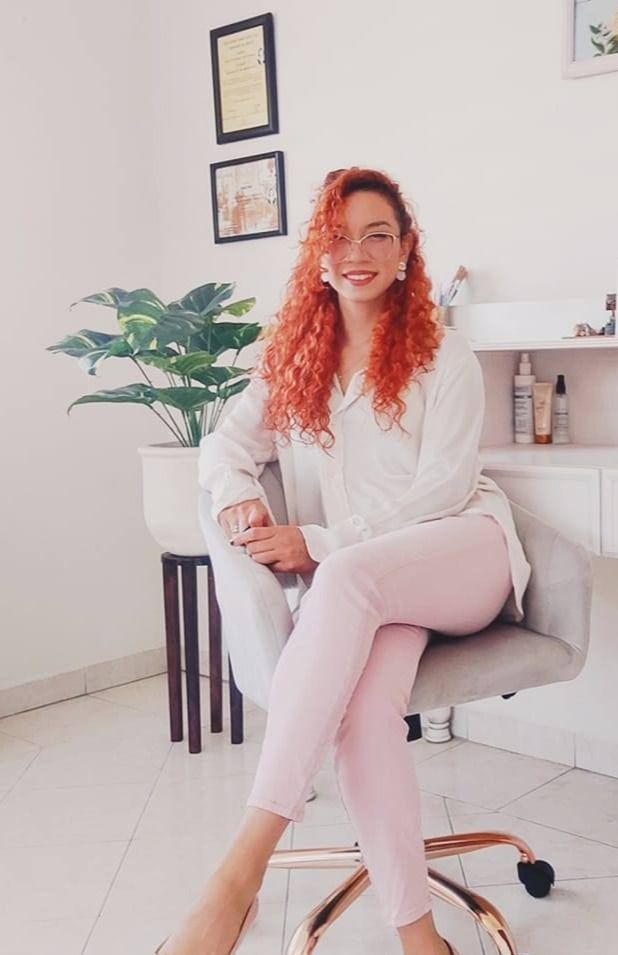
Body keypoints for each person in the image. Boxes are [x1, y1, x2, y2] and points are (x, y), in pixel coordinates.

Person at [157, 167, 531, 955]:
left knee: (347, 571)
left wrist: (322, 542)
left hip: (461, 552)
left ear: (405, 250)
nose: (356, 253)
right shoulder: (294, 358)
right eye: (338, 236)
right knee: (363, 716)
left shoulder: (444, 354)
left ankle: (238, 873)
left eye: (376, 235)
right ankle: (420, 935)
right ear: (318, 254)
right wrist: (238, 497)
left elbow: (444, 488)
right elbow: (224, 446)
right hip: (369, 591)